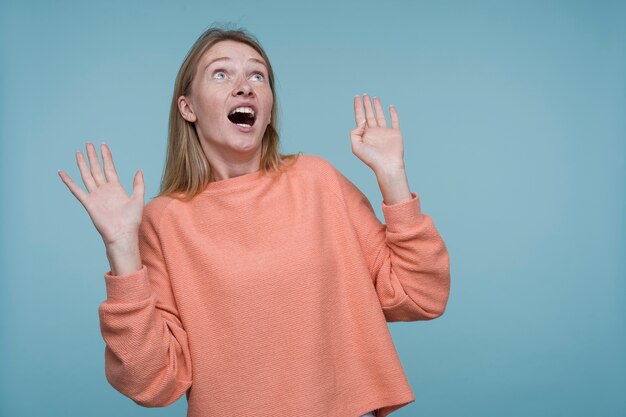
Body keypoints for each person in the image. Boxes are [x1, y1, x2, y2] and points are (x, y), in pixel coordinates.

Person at [58, 25, 450, 417]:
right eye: (222, 73)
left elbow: (422, 295)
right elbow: (152, 380)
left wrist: (393, 176)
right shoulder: (164, 221)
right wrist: (121, 248)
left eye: (257, 75)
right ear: (188, 108)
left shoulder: (317, 180)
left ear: (268, 106)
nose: (244, 86)